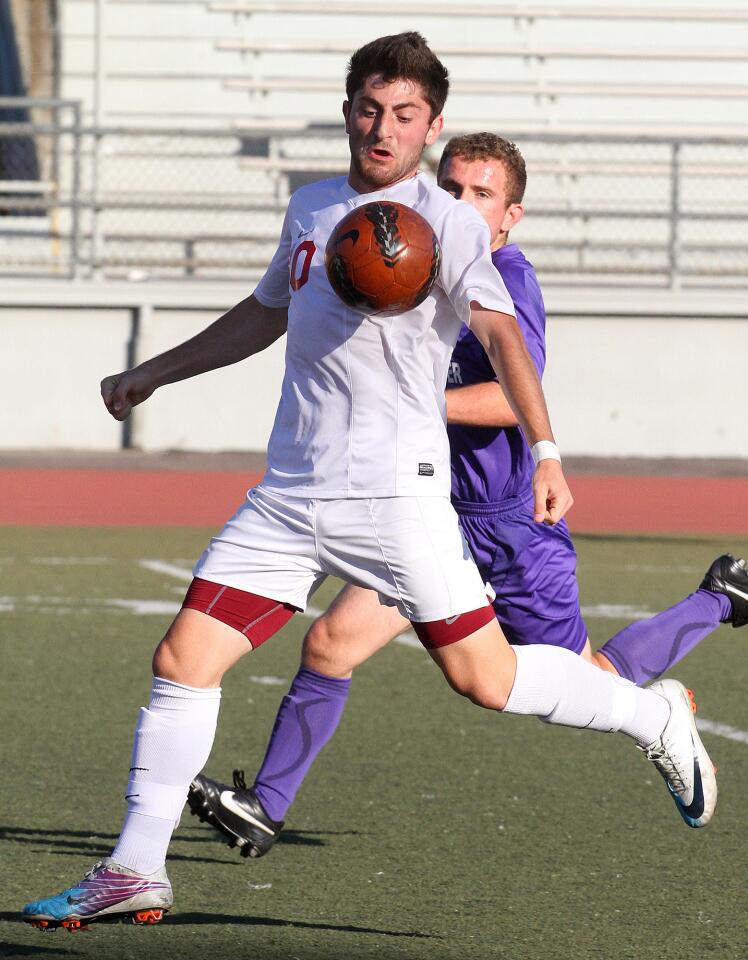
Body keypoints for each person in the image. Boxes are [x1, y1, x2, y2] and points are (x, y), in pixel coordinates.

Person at [23, 35, 717, 933]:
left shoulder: (453, 222)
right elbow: (265, 312)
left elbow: (505, 340)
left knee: (488, 680)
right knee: (183, 662)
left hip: (397, 497)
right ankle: (134, 869)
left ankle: (648, 716)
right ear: (349, 108)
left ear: (431, 125)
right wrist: (152, 372)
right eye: (369, 108)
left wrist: (547, 449)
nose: (383, 128)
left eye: (404, 115)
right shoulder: (312, 206)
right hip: (288, 494)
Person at [186, 133, 748, 859]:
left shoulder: (507, 276)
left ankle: (718, 604)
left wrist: (414, 402)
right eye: (448, 188)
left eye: (480, 195)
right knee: (329, 644)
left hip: (507, 523)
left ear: (511, 216)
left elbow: (516, 396)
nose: (458, 205)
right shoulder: (411, 272)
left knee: (581, 681)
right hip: (423, 517)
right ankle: (266, 804)